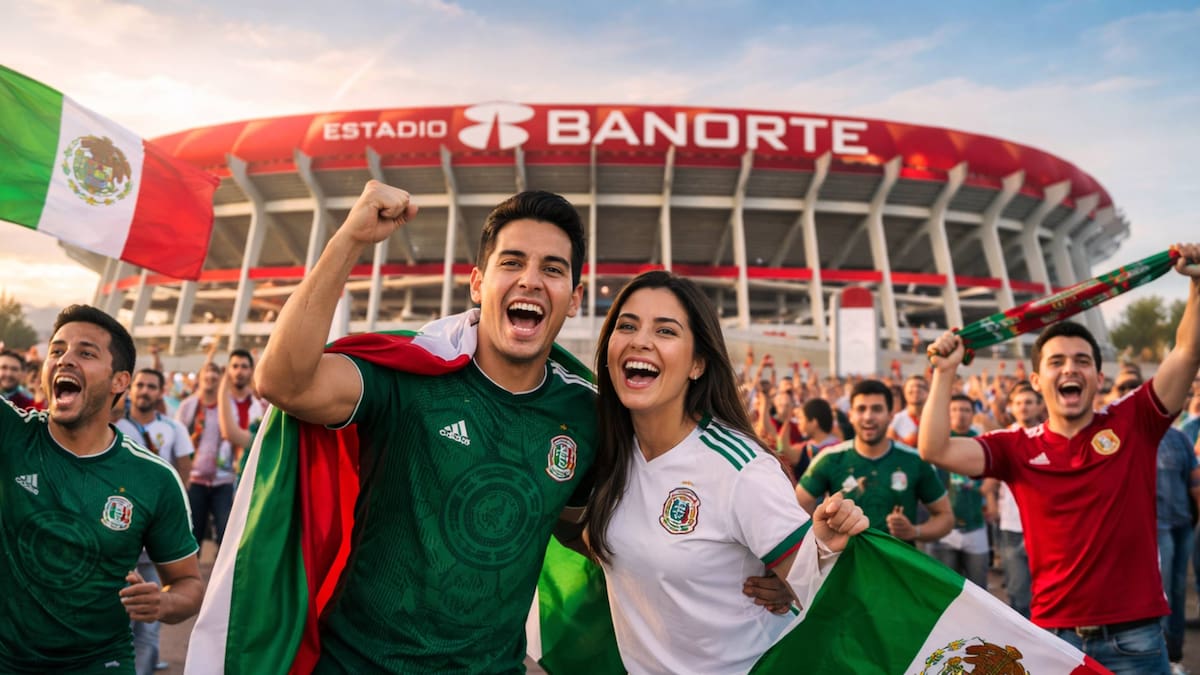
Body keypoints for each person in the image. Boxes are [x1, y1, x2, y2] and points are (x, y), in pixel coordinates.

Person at [253, 181, 603, 673]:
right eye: (512, 262)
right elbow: (283, 383)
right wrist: (348, 240)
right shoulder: (411, 374)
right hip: (356, 664)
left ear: (574, 298)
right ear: (478, 283)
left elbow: (581, 528)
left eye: (552, 269)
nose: (530, 280)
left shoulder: (587, 413)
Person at [918, 241, 1200, 675]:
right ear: (1036, 379)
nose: (1070, 369)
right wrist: (945, 372)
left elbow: (1185, 352)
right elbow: (935, 449)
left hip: (1136, 639)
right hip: (1054, 639)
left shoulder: (1135, 420)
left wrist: (1198, 285)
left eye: (1082, 361)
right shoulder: (1016, 446)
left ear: (1098, 377)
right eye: (1057, 362)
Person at [582, 271, 868, 674]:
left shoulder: (741, 470)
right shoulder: (609, 451)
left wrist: (822, 553)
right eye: (626, 325)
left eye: (665, 330)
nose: (640, 340)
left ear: (698, 363)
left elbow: (830, 599)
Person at [0, 305, 202, 673]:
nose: (65, 360)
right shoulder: (11, 435)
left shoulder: (154, 479)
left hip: (99, 664)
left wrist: (163, 604)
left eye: (86, 352)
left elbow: (188, 584)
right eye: (56, 350)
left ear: (120, 381)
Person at [797, 379, 954, 546]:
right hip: (846, 565)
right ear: (850, 415)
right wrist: (822, 538)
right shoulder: (830, 458)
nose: (868, 417)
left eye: (877, 409)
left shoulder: (915, 460)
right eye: (861, 409)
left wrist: (914, 531)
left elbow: (945, 517)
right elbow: (797, 506)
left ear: (891, 415)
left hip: (897, 566)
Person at [115, 368, 196, 675]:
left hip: (156, 538)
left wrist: (168, 517)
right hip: (119, 534)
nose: (145, 391)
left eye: (152, 386)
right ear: (130, 388)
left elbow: (184, 473)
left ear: (161, 392)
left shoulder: (174, 429)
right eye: (140, 385)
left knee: (149, 618)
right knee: (119, 614)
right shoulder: (114, 426)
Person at [980, 382, 1042, 618]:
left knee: (1047, 594)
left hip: (1045, 529)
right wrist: (992, 500)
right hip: (1011, 527)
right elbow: (989, 481)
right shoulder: (1004, 438)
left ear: (1039, 406)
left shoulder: (1050, 435)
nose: (1023, 407)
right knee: (1018, 593)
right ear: (1011, 408)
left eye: (1028, 402)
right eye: (1018, 403)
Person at [928, 393, 988, 589]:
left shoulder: (983, 441)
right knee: (943, 591)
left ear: (973, 414)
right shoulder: (937, 442)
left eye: (965, 410)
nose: (960, 415)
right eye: (954, 410)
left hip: (976, 525)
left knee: (979, 592)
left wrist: (990, 491)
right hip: (944, 529)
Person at [888, 374, 928, 446]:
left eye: (920, 386)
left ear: (928, 392)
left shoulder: (935, 419)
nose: (916, 389)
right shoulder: (896, 419)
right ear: (904, 391)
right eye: (911, 386)